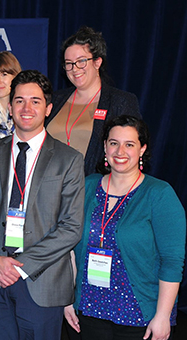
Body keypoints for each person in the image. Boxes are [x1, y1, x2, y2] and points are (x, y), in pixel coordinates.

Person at [0, 70, 85, 340]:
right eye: (19, 100)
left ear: (48, 108)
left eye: (35, 101)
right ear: (10, 107)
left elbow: (71, 227)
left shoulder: (68, 159)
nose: (26, 108)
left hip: (41, 280)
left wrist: (20, 265)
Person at [64, 115, 186, 340]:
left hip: (140, 315)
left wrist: (163, 315)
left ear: (142, 149)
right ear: (104, 147)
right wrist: (68, 299)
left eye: (129, 144)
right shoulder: (88, 185)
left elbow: (172, 262)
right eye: (114, 143)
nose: (120, 151)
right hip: (88, 310)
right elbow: (71, 247)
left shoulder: (159, 194)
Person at [45, 26, 140, 176]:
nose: (74, 68)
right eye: (68, 63)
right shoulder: (55, 100)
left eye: (81, 61)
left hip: (92, 190)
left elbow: (130, 151)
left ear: (97, 62)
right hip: (49, 188)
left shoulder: (120, 102)